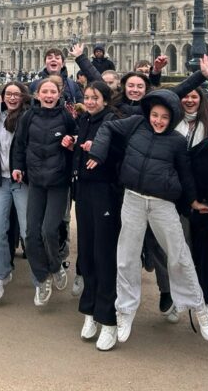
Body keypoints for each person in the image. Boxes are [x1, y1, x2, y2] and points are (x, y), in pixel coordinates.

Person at [88, 87, 208, 346]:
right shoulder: (136, 124)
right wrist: (97, 152)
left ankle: (199, 306)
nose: (158, 121)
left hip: (162, 203)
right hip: (133, 199)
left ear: (172, 119)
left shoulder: (177, 141)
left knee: (179, 254)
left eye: (165, 117)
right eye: (155, 115)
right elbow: (107, 128)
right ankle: (125, 311)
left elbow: (185, 173)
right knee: (126, 258)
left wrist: (192, 200)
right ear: (148, 113)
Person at [11, 76, 76, 306]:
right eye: (44, 92)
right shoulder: (28, 117)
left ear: (59, 95)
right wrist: (17, 167)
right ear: (37, 95)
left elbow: (75, 143)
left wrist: (72, 142)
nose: (48, 95)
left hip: (58, 182)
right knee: (31, 232)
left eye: (52, 92)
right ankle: (42, 277)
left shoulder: (67, 117)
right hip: (36, 181)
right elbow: (19, 144)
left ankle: (56, 266)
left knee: (49, 230)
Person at [72, 81, 122, 350]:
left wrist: (101, 150)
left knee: (104, 255)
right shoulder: (84, 120)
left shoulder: (113, 122)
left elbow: (120, 154)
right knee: (87, 253)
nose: (90, 101)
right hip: (84, 190)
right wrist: (73, 145)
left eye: (95, 97)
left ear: (105, 100)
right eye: (87, 97)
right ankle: (90, 311)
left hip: (105, 191)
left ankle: (108, 319)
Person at [174, 86, 208, 320]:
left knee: (204, 247)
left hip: (204, 194)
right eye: (186, 95)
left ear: (201, 100)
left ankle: (206, 298)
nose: (190, 99)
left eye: (195, 96)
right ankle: (179, 296)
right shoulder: (171, 121)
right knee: (178, 247)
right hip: (175, 192)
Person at [0, 81, 30, 302]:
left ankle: (41, 277)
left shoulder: (28, 118)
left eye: (16, 94)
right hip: (0, 181)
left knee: (28, 231)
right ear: (2, 97)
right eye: (8, 94)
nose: (12, 98)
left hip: (22, 181)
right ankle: (0, 274)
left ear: (23, 97)